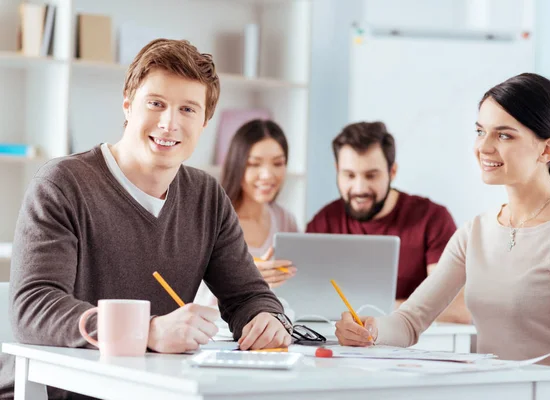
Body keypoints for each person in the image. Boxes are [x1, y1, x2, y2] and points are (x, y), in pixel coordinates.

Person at [0, 39, 293, 399]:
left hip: (150, 389)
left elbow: (248, 295)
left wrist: (268, 319)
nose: (169, 123)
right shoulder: (62, 184)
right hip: (53, 391)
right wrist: (146, 332)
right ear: (127, 104)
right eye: (156, 104)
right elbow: (34, 307)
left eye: (188, 109)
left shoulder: (207, 197)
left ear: (205, 122)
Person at [334, 73, 550, 400]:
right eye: (480, 131)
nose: (483, 147)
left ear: (547, 149)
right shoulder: (476, 232)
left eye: (504, 135)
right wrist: (369, 330)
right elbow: (408, 323)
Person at [306, 121, 470, 323]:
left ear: (392, 172)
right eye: (349, 175)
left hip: (415, 346)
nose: (359, 188)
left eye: (371, 175)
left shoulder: (432, 218)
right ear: (337, 170)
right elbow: (304, 300)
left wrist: (382, 310)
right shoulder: (324, 222)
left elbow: (458, 309)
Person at [195, 119, 298, 307]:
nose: (267, 175)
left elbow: (296, 289)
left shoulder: (285, 220)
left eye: (278, 163)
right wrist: (244, 280)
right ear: (237, 165)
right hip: (215, 329)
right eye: (254, 164)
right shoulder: (211, 219)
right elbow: (193, 296)